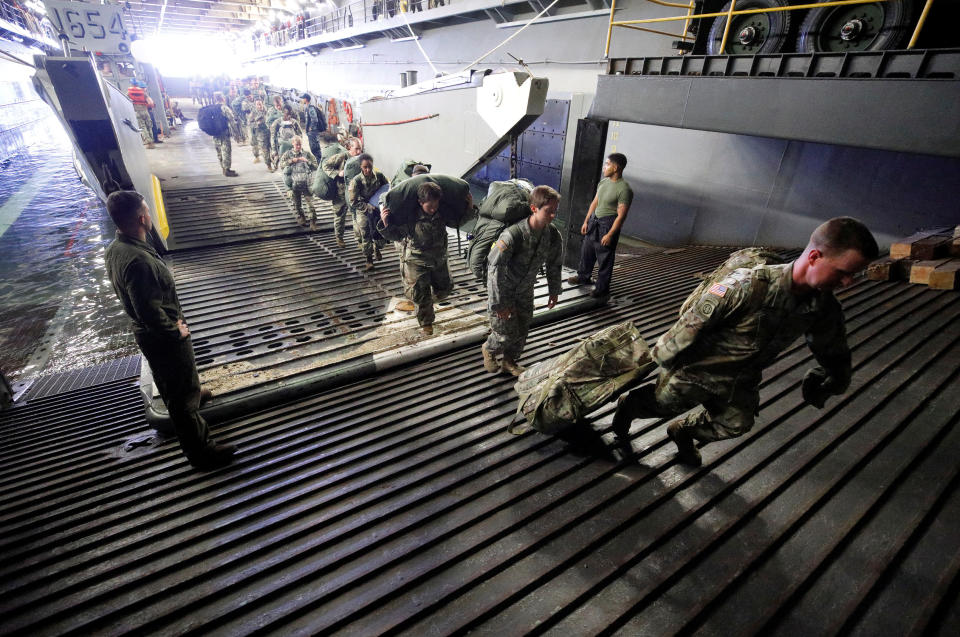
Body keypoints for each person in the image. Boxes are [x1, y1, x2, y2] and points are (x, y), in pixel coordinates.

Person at [610, 217, 879, 467]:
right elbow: (692, 324)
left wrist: (835, 379)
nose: (847, 282)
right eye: (843, 272)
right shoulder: (749, 286)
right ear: (814, 256)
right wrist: (656, 364)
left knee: (736, 422)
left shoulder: (823, 307)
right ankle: (628, 405)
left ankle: (681, 431)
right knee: (660, 405)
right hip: (698, 370)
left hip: (741, 378)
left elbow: (833, 349)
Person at [104, 190, 237, 471]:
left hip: (151, 333)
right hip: (163, 337)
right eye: (148, 211)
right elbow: (147, 310)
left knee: (179, 381)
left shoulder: (117, 248)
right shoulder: (138, 261)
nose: (150, 215)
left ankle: (192, 393)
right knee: (178, 399)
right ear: (142, 218)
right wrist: (174, 331)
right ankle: (203, 453)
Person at [483, 185, 563, 376]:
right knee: (505, 332)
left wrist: (554, 290)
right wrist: (498, 303)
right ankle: (489, 349)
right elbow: (494, 269)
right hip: (505, 291)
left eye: (555, 211)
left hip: (526, 290)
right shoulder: (513, 235)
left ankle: (509, 362)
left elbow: (555, 264)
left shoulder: (552, 235)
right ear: (534, 209)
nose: (552, 215)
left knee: (522, 330)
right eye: (548, 211)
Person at [378, 182, 452, 335]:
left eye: (435, 205)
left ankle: (421, 304)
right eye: (429, 206)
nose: (433, 209)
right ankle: (426, 322)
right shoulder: (410, 218)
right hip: (417, 261)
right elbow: (397, 235)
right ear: (420, 202)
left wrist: (470, 207)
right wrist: (385, 223)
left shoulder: (442, 213)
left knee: (445, 289)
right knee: (421, 294)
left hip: (438, 258)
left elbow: (459, 220)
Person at [568, 153, 633, 298]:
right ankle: (583, 276)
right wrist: (586, 221)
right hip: (594, 221)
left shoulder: (624, 189)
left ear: (616, 168)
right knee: (587, 251)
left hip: (607, 224)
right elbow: (594, 203)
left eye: (607, 164)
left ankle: (602, 288)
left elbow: (621, 216)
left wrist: (610, 234)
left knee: (604, 258)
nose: (604, 167)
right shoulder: (603, 182)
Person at [347, 153, 389, 270]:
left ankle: (377, 247)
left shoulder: (379, 176)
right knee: (365, 234)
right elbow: (353, 202)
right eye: (365, 167)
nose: (368, 169)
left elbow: (386, 189)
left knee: (379, 232)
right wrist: (368, 207)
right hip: (363, 210)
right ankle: (369, 259)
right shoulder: (356, 181)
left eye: (370, 166)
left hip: (377, 209)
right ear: (361, 167)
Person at [322, 135, 363, 248]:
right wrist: (337, 174)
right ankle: (339, 237)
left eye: (360, 148)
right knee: (340, 215)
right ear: (349, 147)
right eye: (356, 149)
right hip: (341, 191)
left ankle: (359, 240)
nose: (359, 151)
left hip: (354, 192)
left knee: (356, 215)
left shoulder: (361, 159)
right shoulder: (342, 157)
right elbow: (326, 165)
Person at [280, 136, 320, 229]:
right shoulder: (288, 154)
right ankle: (302, 217)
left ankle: (313, 221)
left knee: (310, 204)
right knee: (297, 204)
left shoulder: (306, 154)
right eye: (297, 145)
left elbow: (316, 166)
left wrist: (308, 161)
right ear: (293, 144)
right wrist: (290, 161)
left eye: (300, 145)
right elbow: (281, 166)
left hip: (306, 183)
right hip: (294, 183)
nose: (298, 146)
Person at [211, 92, 239, 177]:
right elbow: (232, 121)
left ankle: (223, 168)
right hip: (224, 133)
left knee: (219, 150)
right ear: (222, 98)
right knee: (226, 151)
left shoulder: (212, 108)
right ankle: (227, 170)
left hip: (215, 133)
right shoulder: (224, 108)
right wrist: (236, 134)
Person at [127, 81, 154, 149]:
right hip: (145, 111)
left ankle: (148, 143)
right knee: (149, 126)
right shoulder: (143, 93)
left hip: (137, 112)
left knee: (142, 127)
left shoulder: (129, 93)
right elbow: (151, 103)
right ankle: (152, 141)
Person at [247, 99, 272, 170]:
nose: (259, 106)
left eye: (260, 104)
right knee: (265, 150)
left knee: (273, 149)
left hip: (270, 132)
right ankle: (268, 165)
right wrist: (257, 124)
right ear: (255, 105)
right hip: (261, 134)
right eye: (257, 104)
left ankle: (275, 162)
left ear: (262, 103)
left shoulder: (268, 111)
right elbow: (250, 124)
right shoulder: (253, 113)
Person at [300, 93, 325, 158]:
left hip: (313, 133)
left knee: (315, 150)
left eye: (302, 98)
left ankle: (320, 164)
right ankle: (319, 163)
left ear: (305, 99)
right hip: (312, 133)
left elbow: (315, 119)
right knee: (314, 149)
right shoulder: (307, 107)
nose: (302, 100)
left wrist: (311, 128)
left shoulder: (310, 108)